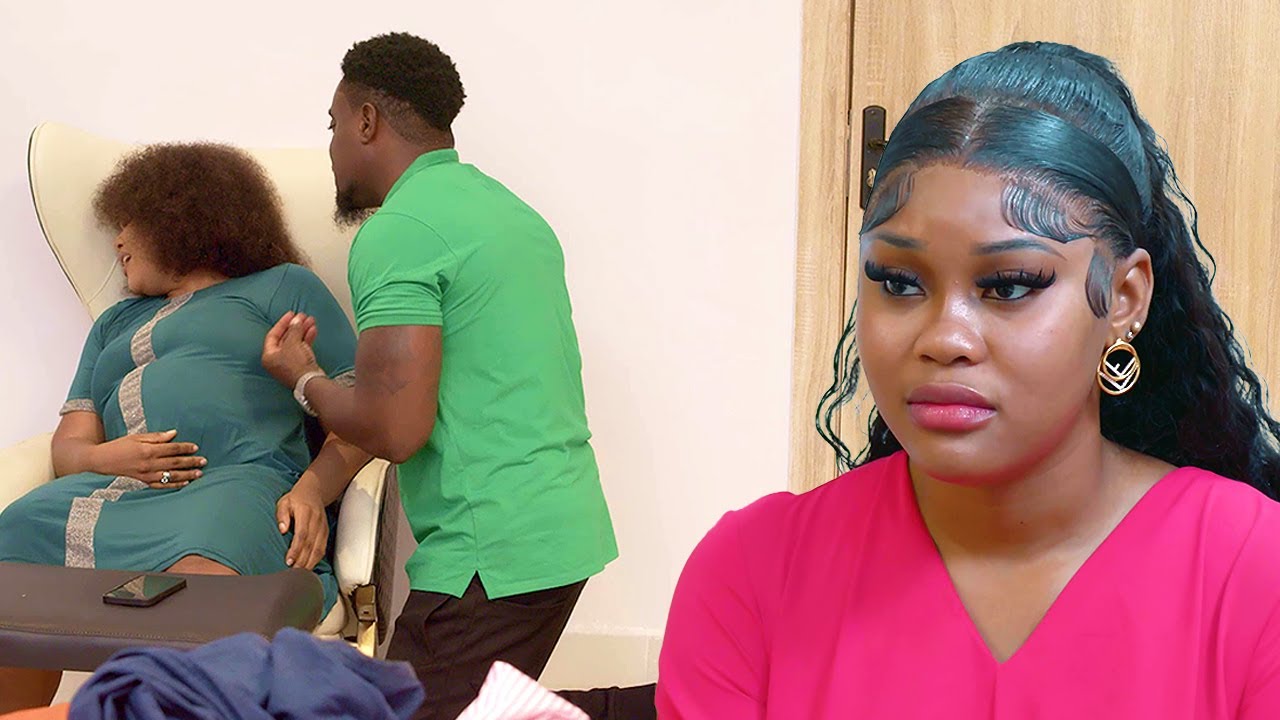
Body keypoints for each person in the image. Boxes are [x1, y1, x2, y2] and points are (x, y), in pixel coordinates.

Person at [657, 41, 1280, 718]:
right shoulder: (752, 576)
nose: (944, 338)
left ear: (1125, 298)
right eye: (899, 282)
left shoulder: (1255, 575)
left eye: (1009, 285)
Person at [259, 33, 617, 719]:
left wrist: (303, 378)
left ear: (367, 121)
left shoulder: (401, 232)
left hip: (492, 553)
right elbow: (437, 393)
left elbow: (395, 426)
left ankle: (711, 703)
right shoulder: (511, 214)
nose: (331, 148)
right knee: (486, 709)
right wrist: (316, 482)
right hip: (559, 530)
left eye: (334, 126)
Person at [0, 143, 369, 712]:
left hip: (240, 484)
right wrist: (105, 457)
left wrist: (313, 491)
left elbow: (360, 414)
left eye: (128, 224)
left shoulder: (280, 287)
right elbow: (69, 445)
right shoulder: (112, 325)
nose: (117, 242)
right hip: (112, 492)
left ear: (180, 221)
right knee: (16, 535)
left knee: (200, 573)